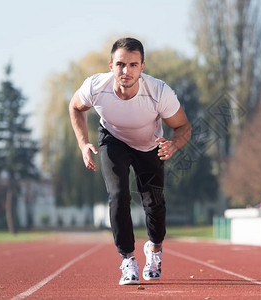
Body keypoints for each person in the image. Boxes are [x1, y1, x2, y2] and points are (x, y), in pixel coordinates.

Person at [69, 37, 191, 285]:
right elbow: (75, 107)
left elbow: (183, 126)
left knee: (154, 204)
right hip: (113, 141)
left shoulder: (159, 92)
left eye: (133, 65)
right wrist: (83, 143)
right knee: (118, 195)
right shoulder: (95, 86)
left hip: (149, 146)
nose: (126, 71)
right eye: (121, 64)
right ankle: (128, 260)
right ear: (111, 65)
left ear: (142, 67)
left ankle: (154, 250)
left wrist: (174, 144)